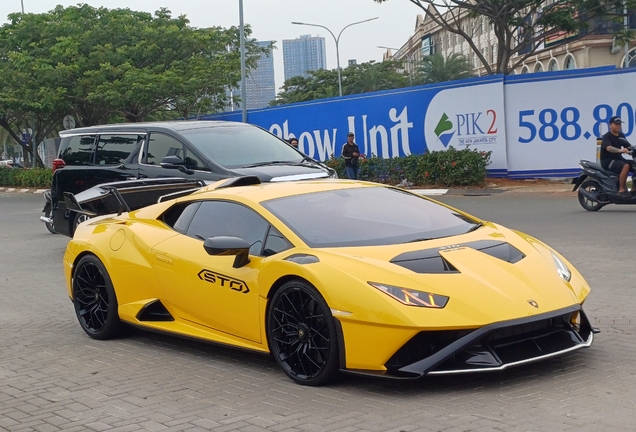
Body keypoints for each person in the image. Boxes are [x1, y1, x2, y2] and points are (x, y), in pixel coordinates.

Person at [600, 116, 635, 195]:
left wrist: (631, 149)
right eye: (616, 124)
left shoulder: (621, 135)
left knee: (634, 164)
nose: (618, 126)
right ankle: (621, 190)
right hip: (608, 161)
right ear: (610, 125)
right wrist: (620, 150)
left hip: (618, 159)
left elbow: (628, 146)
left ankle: (633, 190)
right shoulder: (607, 136)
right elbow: (608, 148)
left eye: (619, 124)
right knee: (626, 166)